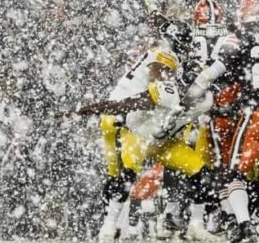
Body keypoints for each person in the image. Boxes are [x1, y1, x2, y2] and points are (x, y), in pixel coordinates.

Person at [60, 18, 215, 242]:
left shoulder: (161, 55)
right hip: (128, 121)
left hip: (136, 122)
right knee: (122, 174)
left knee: (119, 174)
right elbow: (157, 80)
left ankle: (194, 224)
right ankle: (109, 227)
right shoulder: (166, 63)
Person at [184, 0, 259, 243]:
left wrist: (193, 92)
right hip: (234, 109)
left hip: (248, 111)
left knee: (231, 171)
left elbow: (216, 70)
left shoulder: (236, 36)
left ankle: (242, 223)